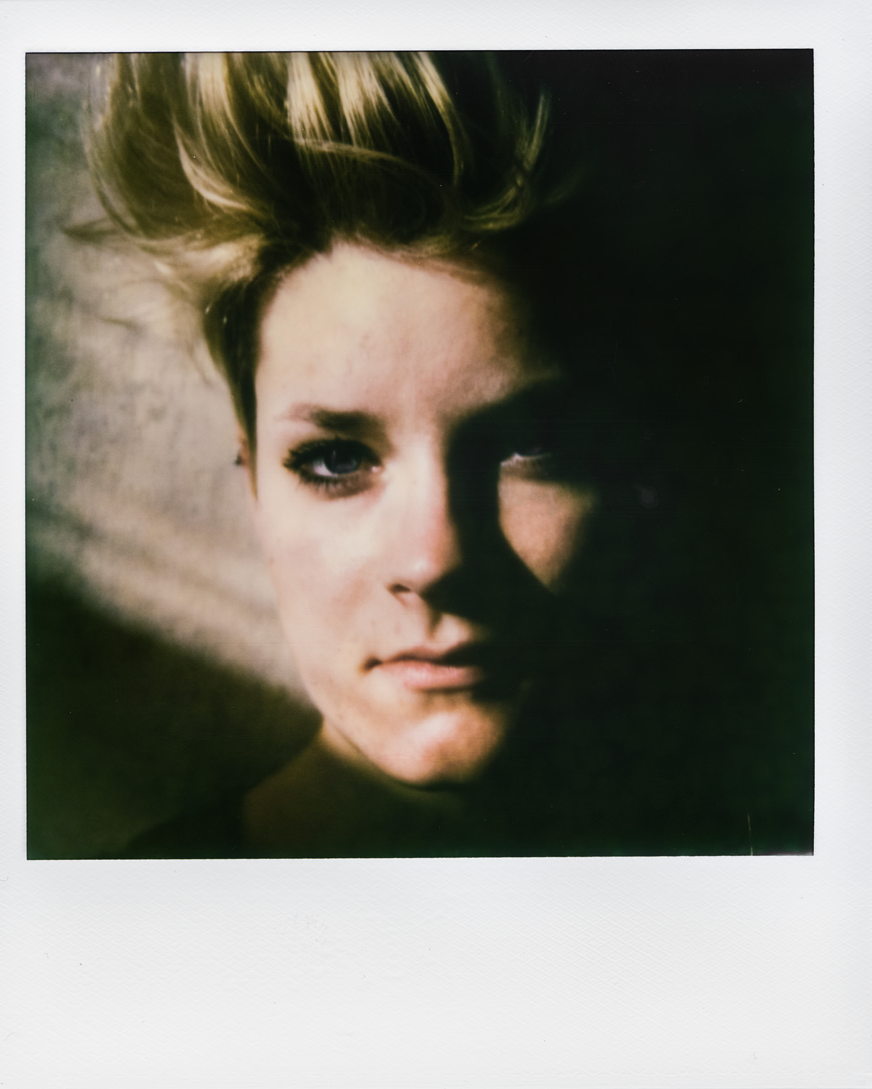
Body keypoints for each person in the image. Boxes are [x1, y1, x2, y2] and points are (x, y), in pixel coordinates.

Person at [83, 51, 813, 857]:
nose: (435, 560)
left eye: (535, 444)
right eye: (335, 459)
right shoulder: (116, 918)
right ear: (252, 473)